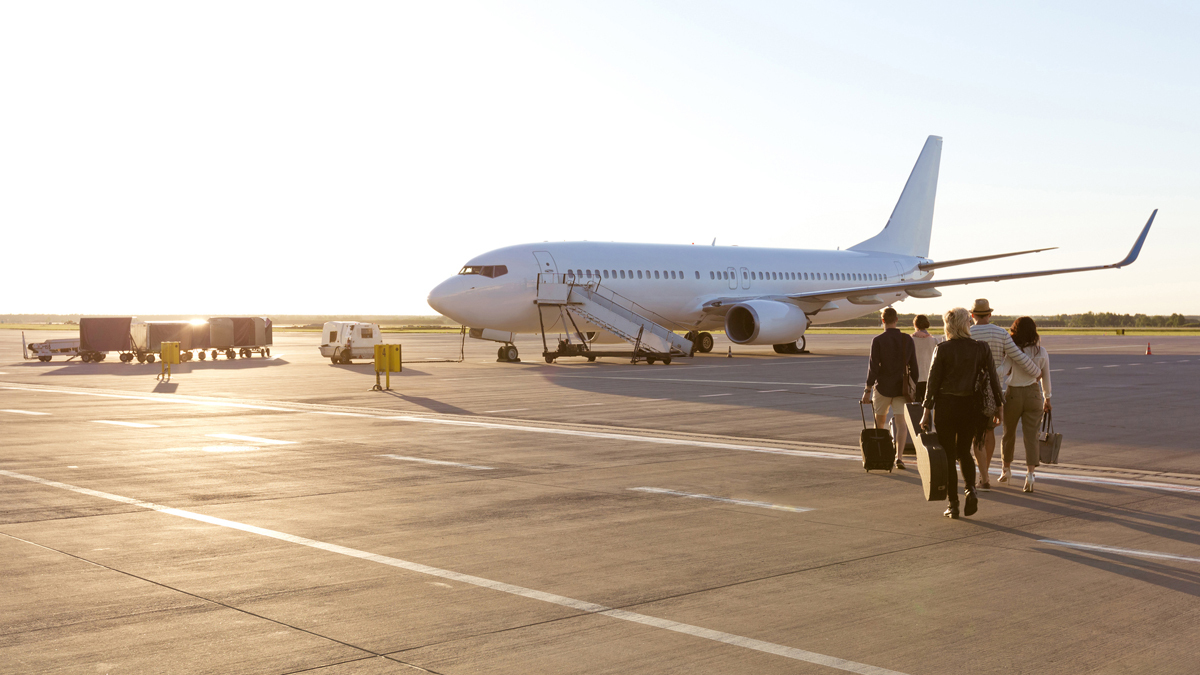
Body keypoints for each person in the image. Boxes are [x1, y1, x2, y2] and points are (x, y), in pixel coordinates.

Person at [919, 307, 1003, 519]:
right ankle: (970, 490)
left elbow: (933, 382)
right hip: (971, 406)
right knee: (965, 451)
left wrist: (926, 411)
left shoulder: (943, 349)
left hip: (946, 406)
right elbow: (994, 379)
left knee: (948, 454)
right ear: (967, 324)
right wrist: (999, 407)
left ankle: (953, 504)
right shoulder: (981, 348)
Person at [968, 299, 1041, 491]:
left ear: (973, 315)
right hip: (993, 389)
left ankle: (981, 473)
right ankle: (986, 471)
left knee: (975, 434)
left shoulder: (967, 332)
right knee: (989, 431)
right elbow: (1017, 356)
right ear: (990, 314)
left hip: (969, 389)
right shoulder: (1000, 333)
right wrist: (1035, 371)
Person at [861, 307, 919, 470]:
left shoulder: (878, 340)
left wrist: (867, 389)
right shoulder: (907, 339)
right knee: (901, 423)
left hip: (883, 388)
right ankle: (899, 457)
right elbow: (914, 367)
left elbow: (873, 367)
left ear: (883, 320)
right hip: (901, 388)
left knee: (880, 422)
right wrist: (914, 388)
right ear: (897, 320)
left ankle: (880, 452)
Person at [1000, 316, 1052, 492]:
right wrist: (1048, 398)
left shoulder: (1014, 352)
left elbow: (1002, 371)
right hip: (1033, 394)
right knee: (1031, 436)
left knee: (1009, 434)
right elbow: (1046, 377)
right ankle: (1030, 475)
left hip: (1013, 394)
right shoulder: (1041, 352)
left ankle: (1006, 469)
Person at [912, 314, 942, 402]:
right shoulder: (934, 341)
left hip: (915, 378)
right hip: (929, 378)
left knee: (915, 408)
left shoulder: (910, 340)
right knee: (927, 407)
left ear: (915, 325)